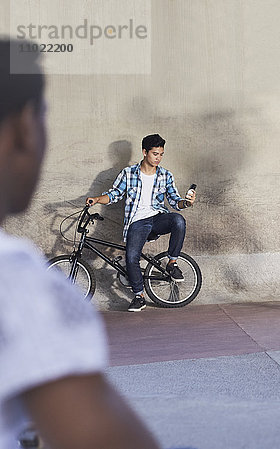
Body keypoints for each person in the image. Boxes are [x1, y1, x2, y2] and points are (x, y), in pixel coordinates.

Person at [0, 39, 160, 449]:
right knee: (130, 248)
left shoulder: (164, 175)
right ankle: (138, 289)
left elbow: (173, 198)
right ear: (24, 127)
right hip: (130, 222)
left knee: (141, 245)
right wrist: (93, 200)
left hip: (154, 220)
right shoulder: (19, 284)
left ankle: (142, 288)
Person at [87, 134, 196, 312]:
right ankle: (139, 297)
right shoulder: (128, 174)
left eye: (161, 154)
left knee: (178, 220)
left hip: (158, 218)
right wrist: (97, 199)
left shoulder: (165, 175)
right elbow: (114, 195)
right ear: (144, 152)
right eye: (155, 154)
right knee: (132, 258)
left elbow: (175, 201)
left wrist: (187, 202)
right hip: (137, 222)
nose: (158, 158)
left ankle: (172, 263)